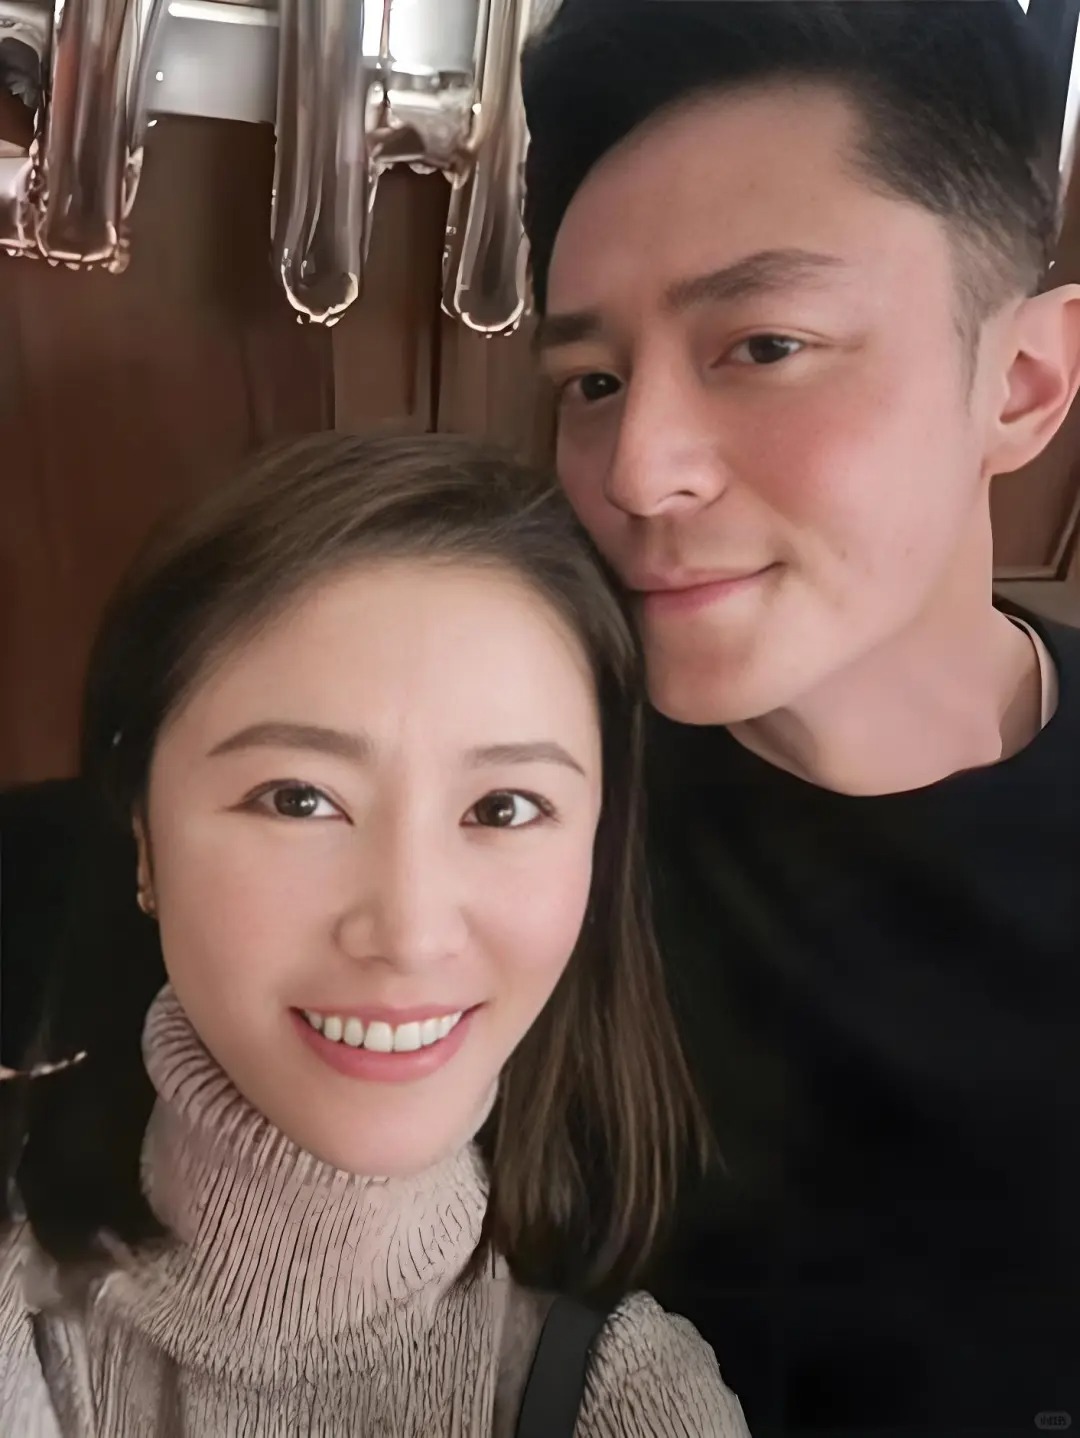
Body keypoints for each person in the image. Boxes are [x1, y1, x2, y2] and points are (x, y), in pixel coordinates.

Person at [519, 2, 1080, 1435]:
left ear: (1022, 384)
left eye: (764, 345)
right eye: (591, 382)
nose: (636, 470)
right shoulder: (506, 822)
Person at [0, 433, 749, 1437]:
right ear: (144, 833)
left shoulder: (629, 1401)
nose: (407, 930)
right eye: (299, 798)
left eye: (505, 808)